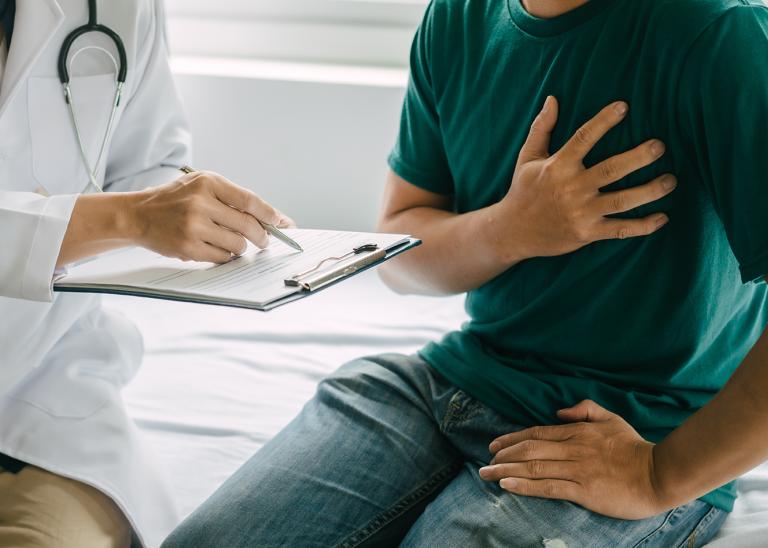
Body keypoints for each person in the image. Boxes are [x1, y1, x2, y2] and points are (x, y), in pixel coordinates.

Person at [164, 0, 768, 545]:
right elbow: (401, 258)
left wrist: (659, 476)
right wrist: (511, 228)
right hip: (450, 384)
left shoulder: (715, 32)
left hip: (635, 428)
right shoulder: (457, 16)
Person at [0, 0, 291, 546]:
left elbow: (146, 164)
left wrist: (190, 209)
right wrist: (130, 217)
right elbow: (128, 210)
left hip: (41, 402)